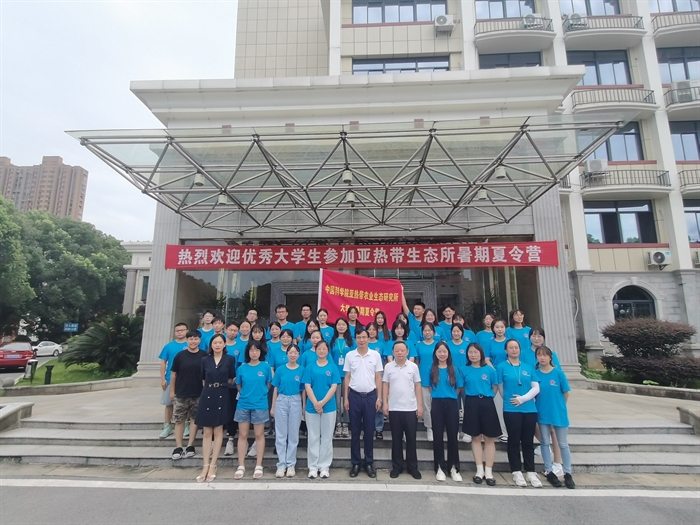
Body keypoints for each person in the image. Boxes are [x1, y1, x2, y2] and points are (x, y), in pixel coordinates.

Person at [497, 338, 541, 488]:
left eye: (516, 347)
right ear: (506, 350)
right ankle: (516, 471)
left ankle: (531, 471)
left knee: (528, 441)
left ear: (520, 349)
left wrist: (522, 399)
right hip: (511, 409)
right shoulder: (501, 367)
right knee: (514, 440)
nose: (514, 350)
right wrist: (512, 400)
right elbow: (501, 389)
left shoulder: (528, 367)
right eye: (511, 347)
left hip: (529, 408)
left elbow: (536, 388)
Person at [195, 334, 236, 483]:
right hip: (208, 394)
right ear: (211, 345)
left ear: (224, 344)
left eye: (220, 342)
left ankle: (213, 465)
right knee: (207, 432)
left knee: (218, 431)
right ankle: (205, 465)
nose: (217, 345)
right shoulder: (205, 360)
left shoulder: (230, 359)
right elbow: (203, 378)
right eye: (215, 343)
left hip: (222, 393)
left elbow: (232, 377)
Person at [343, 327, 383, 478]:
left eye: (364, 337)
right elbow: (347, 377)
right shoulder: (350, 355)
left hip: (370, 397)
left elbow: (378, 377)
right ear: (355, 339)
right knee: (355, 432)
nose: (361, 340)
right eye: (359, 337)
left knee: (369, 431)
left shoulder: (375, 355)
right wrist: (346, 398)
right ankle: (355, 463)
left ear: (368, 338)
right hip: (354, 396)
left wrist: (379, 398)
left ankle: (368, 463)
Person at [535, 346, 575, 489]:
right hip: (542, 412)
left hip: (558, 413)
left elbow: (565, 393)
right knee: (545, 442)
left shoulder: (558, 373)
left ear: (550, 357)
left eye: (545, 355)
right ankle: (549, 470)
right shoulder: (535, 374)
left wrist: (559, 407)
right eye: (539, 355)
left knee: (563, 444)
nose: (542, 358)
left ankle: (568, 473)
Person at [460, 343, 500, 486]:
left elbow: (495, 387)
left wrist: (487, 397)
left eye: (476, 352)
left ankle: (489, 471)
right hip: (471, 402)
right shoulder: (464, 370)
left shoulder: (489, 370)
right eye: (470, 352)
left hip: (487, 403)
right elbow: (462, 387)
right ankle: (479, 470)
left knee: (489, 438)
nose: (473, 355)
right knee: (475, 437)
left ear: (481, 353)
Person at [382, 341, 423, 480]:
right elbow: (385, 385)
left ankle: (412, 467)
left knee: (411, 439)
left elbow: (417, 386)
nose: (399, 353)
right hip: (394, 407)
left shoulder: (413, 367)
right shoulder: (388, 367)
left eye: (402, 350)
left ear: (407, 352)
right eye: (397, 350)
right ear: (393, 352)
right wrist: (385, 403)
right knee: (396, 439)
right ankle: (397, 466)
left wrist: (420, 405)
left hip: (410, 408)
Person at [234, 339, 272, 480]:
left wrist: (261, 393)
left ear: (261, 352)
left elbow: (268, 384)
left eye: (257, 350)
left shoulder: (266, 367)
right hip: (244, 404)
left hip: (260, 405)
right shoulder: (242, 368)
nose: (254, 353)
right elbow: (238, 385)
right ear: (247, 352)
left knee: (259, 435)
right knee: (243, 435)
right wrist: (245, 394)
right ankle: (241, 465)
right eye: (251, 350)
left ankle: (259, 465)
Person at [303, 340, 341, 478]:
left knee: (326, 437)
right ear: (316, 350)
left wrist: (322, 403)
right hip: (311, 406)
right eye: (319, 349)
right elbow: (307, 386)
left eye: (324, 349)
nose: (321, 351)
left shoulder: (332, 366)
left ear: (327, 350)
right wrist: (316, 403)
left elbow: (334, 386)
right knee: (313, 437)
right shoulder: (310, 367)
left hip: (329, 407)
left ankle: (324, 466)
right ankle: (313, 466)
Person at [169, 330, 207, 461]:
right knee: (179, 420)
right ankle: (178, 446)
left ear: (199, 340)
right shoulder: (180, 356)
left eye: (196, 339)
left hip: (198, 393)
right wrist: (172, 391)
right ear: (187, 340)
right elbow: (174, 374)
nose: (193, 341)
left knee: (194, 420)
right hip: (181, 392)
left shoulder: (204, 355)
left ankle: (190, 445)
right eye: (191, 339)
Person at [429, 341, 464, 482]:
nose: (442, 354)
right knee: (437, 436)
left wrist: (451, 396)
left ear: (448, 353)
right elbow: (429, 387)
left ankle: (453, 467)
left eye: (444, 352)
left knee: (452, 436)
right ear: (435, 353)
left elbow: (459, 387)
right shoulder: (431, 369)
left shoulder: (454, 369)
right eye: (439, 352)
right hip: (437, 403)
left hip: (451, 403)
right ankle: (439, 467)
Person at [271, 344, 305, 478]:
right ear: (287, 354)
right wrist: (273, 406)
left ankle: (291, 464)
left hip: (296, 400)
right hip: (282, 400)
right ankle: (281, 464)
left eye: (295, 352)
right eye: (290, 352)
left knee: (293, 435)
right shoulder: (280, 369)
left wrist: (303, 406)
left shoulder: (302, 370)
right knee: (281, 434)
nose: (293, 355)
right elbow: (275, 388)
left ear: (298, 355)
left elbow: (303, 390)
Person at [158, 322, 188, 439]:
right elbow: (163, 363)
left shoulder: (190, 344)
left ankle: (186, 425)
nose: (180, 332)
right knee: (169, 403)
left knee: (187, 404)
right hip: (170, 379)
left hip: (186, 380)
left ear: (187, 331)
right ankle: (167, 425)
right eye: (177, 331)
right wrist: (162, 379)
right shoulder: (169, 346)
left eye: (182, 330)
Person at [447, 323, 471, 444]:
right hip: (452, 380)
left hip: (466, 380)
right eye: (454, 331)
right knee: (454, 407)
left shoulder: (467, 346)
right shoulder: (447, 345)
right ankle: (454, 431)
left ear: (462, 332)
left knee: (468, 406)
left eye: (458, 331)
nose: (456, 333)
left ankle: (468, 431)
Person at [414, 321, 438, 441]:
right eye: (425, 330)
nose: (427, 332)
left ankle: (438, 426)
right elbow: (417, 363)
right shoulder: (419, 346)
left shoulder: (438, 344)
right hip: (423, 377)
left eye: (429, 330)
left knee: (436, 405)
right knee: (426, 405)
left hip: (438, 378)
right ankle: (429, 428)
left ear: (433, 332)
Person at [330, 317, 355, 438]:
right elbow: (329, 358)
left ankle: (346, 423)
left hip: (348, 375)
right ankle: (337, 423)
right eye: (339, 324)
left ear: (347, 327)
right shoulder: (332, 341)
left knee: (346, 400)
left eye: (343, 325)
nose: (341, 327)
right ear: (336, 326)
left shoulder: (351, 341)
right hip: (335, 375)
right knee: (336, 402)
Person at [487, 318, 509, 443]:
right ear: (493, 329)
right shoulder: (490, 343)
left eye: (502, 327)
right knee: (499, 405)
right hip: (496, 376)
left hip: (509, 376)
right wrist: (494, 370)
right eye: (497, 327)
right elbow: (486, 359)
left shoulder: (510, 342)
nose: (499, 329)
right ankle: (503, 432)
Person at [224, 321, 241, 456]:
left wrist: (236, 377)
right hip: (219, 385)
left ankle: (231, 436)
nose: (233, 332)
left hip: (234, 384)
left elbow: (241, 365)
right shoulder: (220, 344)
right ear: (226, 330)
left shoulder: (240, 346)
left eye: (235, 330)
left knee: (233, 410)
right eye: (230, 330)